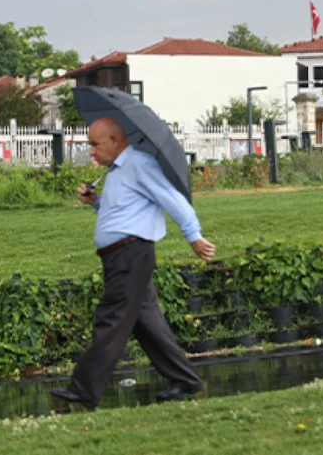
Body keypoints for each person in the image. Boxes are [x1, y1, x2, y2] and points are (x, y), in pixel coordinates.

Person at [50, 116, 216, 410]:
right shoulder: (117, 170)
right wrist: (96, 201)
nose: (92, 151)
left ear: (114, 140)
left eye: (95, 144)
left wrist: (193, 236)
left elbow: (173, 200)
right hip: (121, 255)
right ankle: (186, 381)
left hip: (131, 254)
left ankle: (85, 388)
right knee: (147, 322)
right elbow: (123, 208)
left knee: (112, 317)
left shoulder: (140, 164)